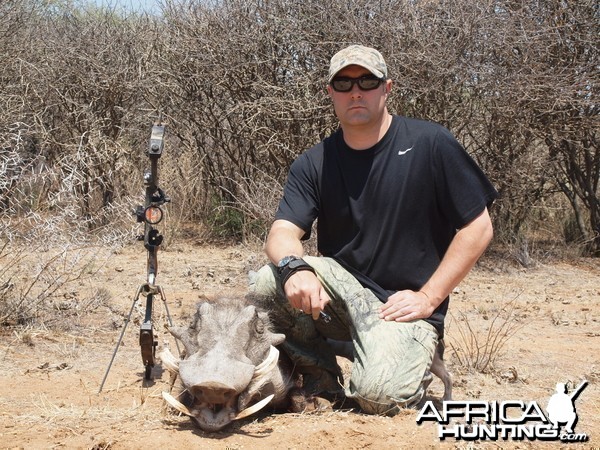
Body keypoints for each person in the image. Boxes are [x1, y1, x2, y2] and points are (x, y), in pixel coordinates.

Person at [249, 44, 498, 415]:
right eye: (344, 83)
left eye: (367, 81)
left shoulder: (431, 143)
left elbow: (478, 228)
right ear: (330, 92)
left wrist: (429, 298)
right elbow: (282, 231)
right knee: (268, 281)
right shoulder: (314, 162)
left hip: (404, 306)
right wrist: (295, 268)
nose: (356, 92)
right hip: (341, 297)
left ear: (387, 88)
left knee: (377, 398)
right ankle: (320, 380)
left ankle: (404, 356)